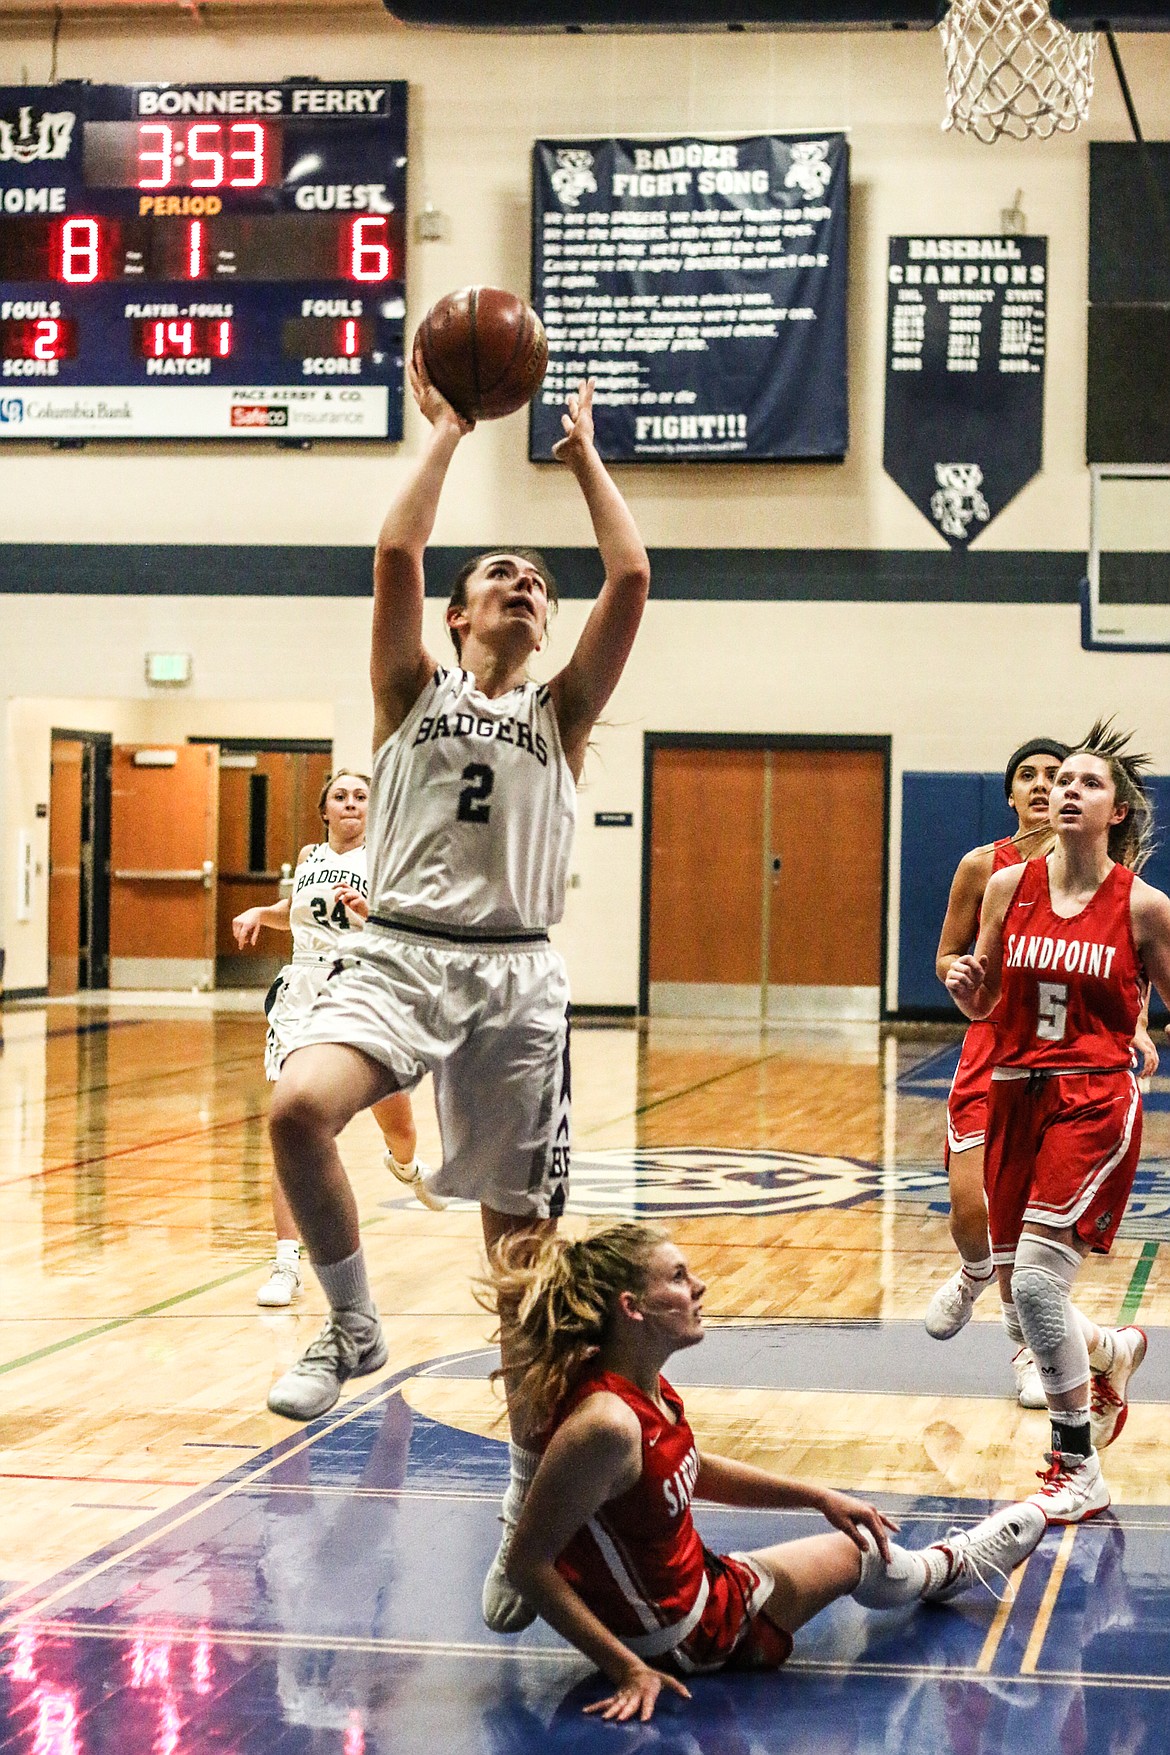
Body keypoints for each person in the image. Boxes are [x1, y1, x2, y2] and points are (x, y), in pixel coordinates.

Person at [263, 368, 651, 1637]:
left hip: (516, 979)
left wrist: (585, 455)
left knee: (520, 1277)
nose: (527, 587)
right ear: (459, 611)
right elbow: (394, 546)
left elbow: (633, 581)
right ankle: (353, 1329)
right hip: (403, 952)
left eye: (540, 581)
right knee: (293, 1113)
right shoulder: (410, 694)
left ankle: (518, 1523)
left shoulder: (562, 712)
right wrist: (445, 431)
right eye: (503, 576)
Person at [490, 1223, 1045, 1723]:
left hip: (691, 1589)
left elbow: (691, 1469)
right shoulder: (607, 1424)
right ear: (633, 1308)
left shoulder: (639, 1386)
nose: (699, 1286)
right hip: (691, 1634)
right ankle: (949, 1569)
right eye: (679, 1277)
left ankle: (931, 1571)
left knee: (843, 1536)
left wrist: (817, 1495)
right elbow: (526, 1563)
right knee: (859, 1556)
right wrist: (626, 1668)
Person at [946, 723, 1170, 1523]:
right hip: (1012, 1090)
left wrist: (1139, 1036)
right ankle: (1112, 1350)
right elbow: (987, 1000)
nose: (1068, 789)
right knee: (1019, 1300)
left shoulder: (1144, 908)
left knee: (1041, 1283)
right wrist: (968, 988)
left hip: (1091, 1098)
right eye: (1062, 779)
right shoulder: (1009, 887)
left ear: (1116, 812)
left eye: (1088, 782)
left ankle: (1076, 1463)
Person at [232, 770, 436, 1307]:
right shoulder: (309, 858)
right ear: (324, 808)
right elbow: (296, 915)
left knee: (400, 1124)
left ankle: (408, 1166)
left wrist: (371, 915)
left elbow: (410, 933)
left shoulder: (387, 862)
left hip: (362, 987)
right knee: (290, 1123)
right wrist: (260, 912)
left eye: (361, 797)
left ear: (373, 809)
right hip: (301, 992)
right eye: (340, 796)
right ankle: (285, 1263)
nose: (350, 804)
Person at [926, 739, 1068, 1404]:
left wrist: (1130, 1030)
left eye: (1053, 774)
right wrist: (957, 972)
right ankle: (973, 1270)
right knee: (970, 1205)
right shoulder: (983, 865)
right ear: (1009, 792)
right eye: (1027, 775)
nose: (1040, 784)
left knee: (1028, 1215)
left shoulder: (1093, 876)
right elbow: (946, 953)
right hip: (992, 1043)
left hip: (1060, 1051)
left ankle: (1027, 1351)